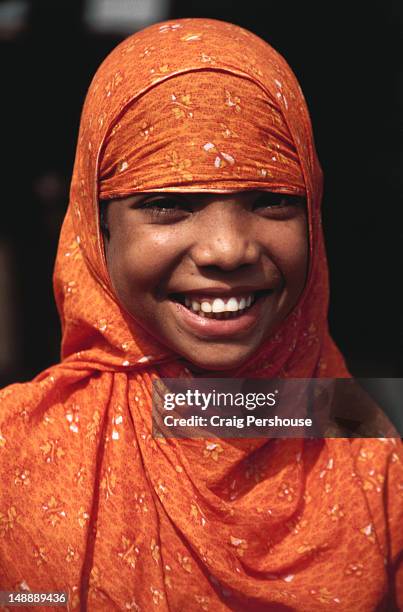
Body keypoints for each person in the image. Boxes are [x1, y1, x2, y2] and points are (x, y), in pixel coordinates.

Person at [0, 17, 402, 611]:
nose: (227, 249)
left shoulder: (365, 445)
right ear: (97, 227)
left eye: (271, 200)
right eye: (168, 205)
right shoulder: (18, 456)